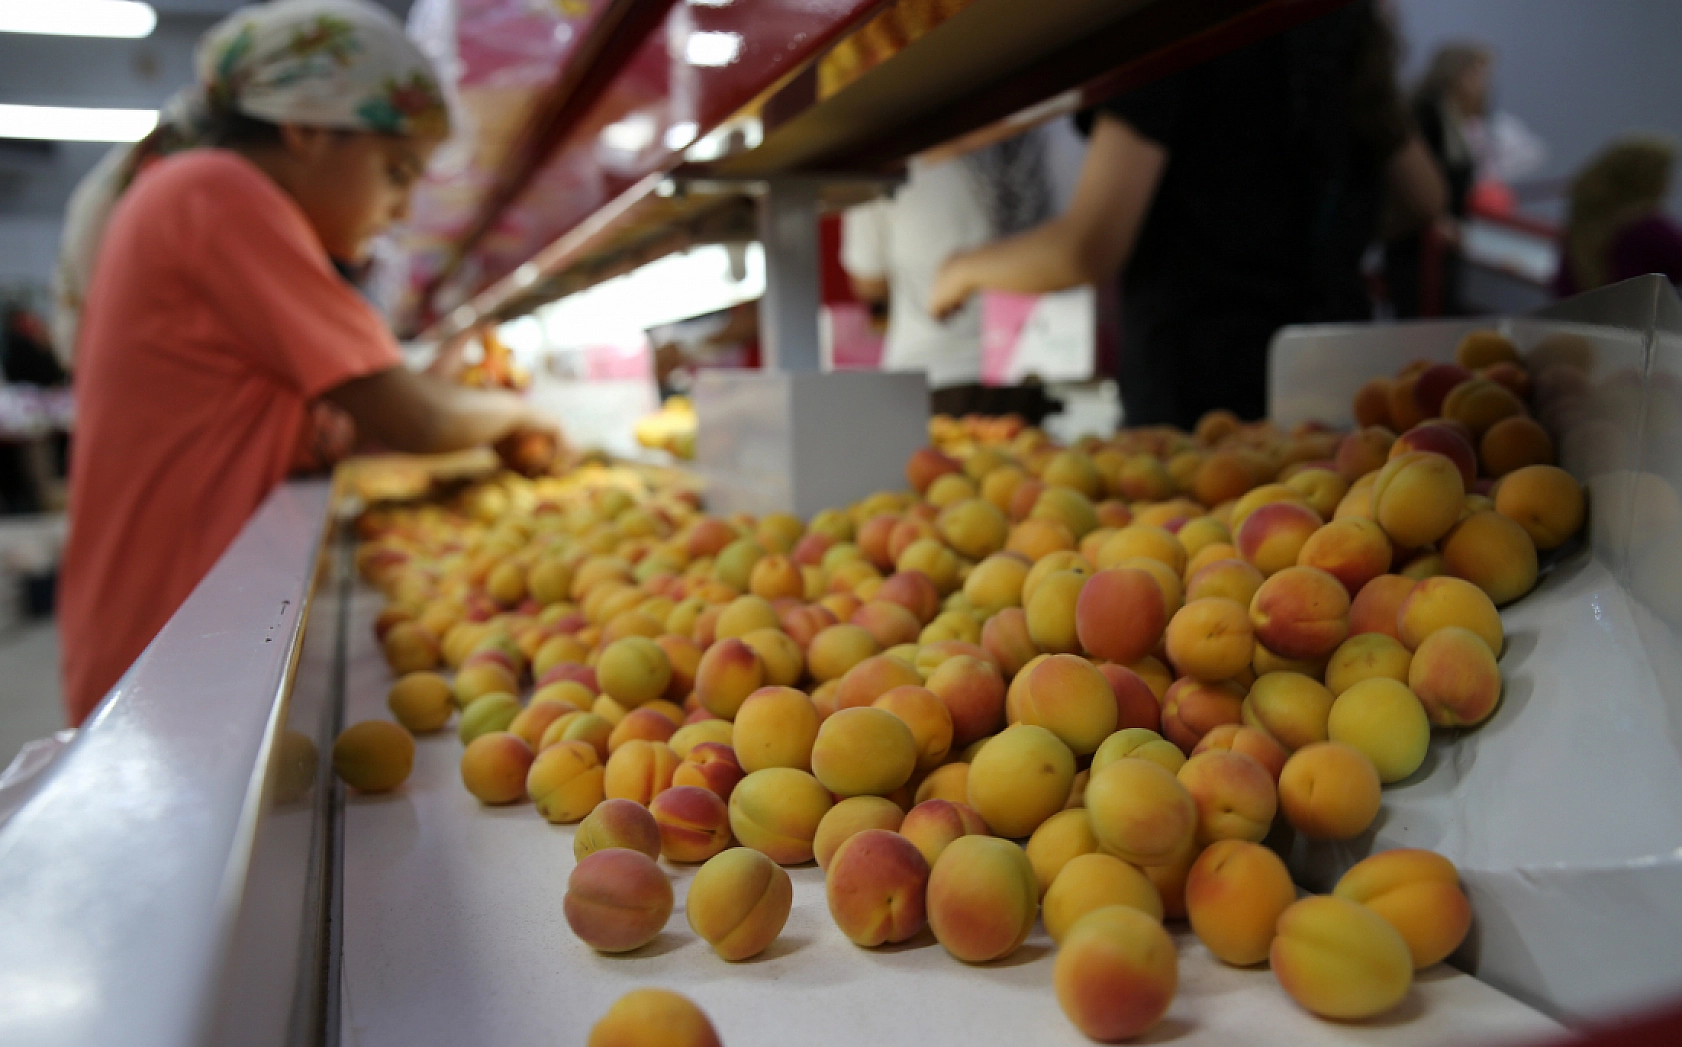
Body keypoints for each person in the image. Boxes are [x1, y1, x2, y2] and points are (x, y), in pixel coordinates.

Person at [57, 0, 555, 726]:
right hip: (166, 642)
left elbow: (340, 419)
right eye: (396, 170)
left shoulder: (205, 198)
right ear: (309, 130)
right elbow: (413, 416)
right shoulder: (214, 193)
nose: (400, 206)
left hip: (196, 624)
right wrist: (522, 414)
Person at [930, 1, 1443, 431]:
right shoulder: (1337, 16)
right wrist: (1315, 240)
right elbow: (1423, 196)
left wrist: (963, 269)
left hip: (1205, 398)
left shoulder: (1169, 24)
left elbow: (1090, 246)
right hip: (1337, 378)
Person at [842, 122, 1079, 423]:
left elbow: (868, 280)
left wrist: (960, 271)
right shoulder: (1061, 124)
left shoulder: (887, 144)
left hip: (934, 374)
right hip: (1046, 368)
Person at [1382, 43, 1490, 317]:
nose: (1483, 83)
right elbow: (1413, 184)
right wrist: (1435, 218)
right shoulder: (1426, 112)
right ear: (1454, 72)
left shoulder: (1457, 118)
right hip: (1416, 245)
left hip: (1444, 243)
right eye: (1475, 73)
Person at [1553, 136, 1682, 297]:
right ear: (1649, 178)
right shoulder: (1648, 229)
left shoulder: (1587, 221)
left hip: (1572, 317)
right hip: (1630, 318)